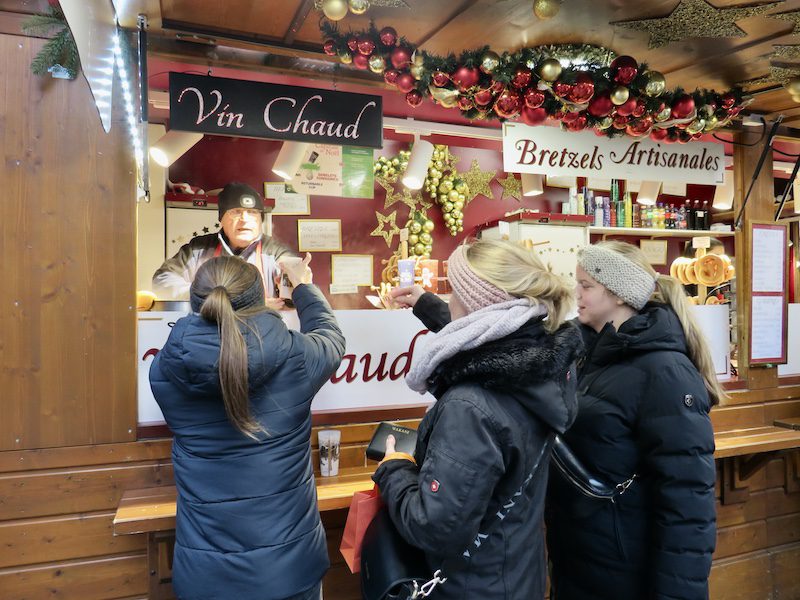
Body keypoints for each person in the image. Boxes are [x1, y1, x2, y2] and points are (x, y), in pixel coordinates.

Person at [377, 239, 583, 599]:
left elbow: (435, 526)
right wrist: (427, 304)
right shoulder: (543, 364)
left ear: (476, 306)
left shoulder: (469, 406)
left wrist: (395, 469)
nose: (451, 299)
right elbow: (489, 340)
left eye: (454, 290)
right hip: (517, 572)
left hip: (469, 586)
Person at [148, 254, 345, 600]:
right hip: (288, 573)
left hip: (205, 579)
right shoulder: (295, 357)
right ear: (258, 299)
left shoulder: (165, 370)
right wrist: (301, 284)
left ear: (198, 302)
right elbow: (330, 336)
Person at [546, 240, 721, 600]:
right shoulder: (589, 354)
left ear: (620, 295)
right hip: (583, 563)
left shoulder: (664, 371)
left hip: (626, 574)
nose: (575, 294)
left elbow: (687, 504)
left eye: (586, 286)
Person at [152, 181, 293, 307]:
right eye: (236, 212)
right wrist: (215, 299)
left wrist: (295, 287)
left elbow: (296, 292)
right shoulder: (198, 248)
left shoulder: (276, 251)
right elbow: (161, 280)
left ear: (260, 220)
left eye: (252, 212)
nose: (244, 219)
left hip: (261, 333)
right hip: (211, 331)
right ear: (221, 218)